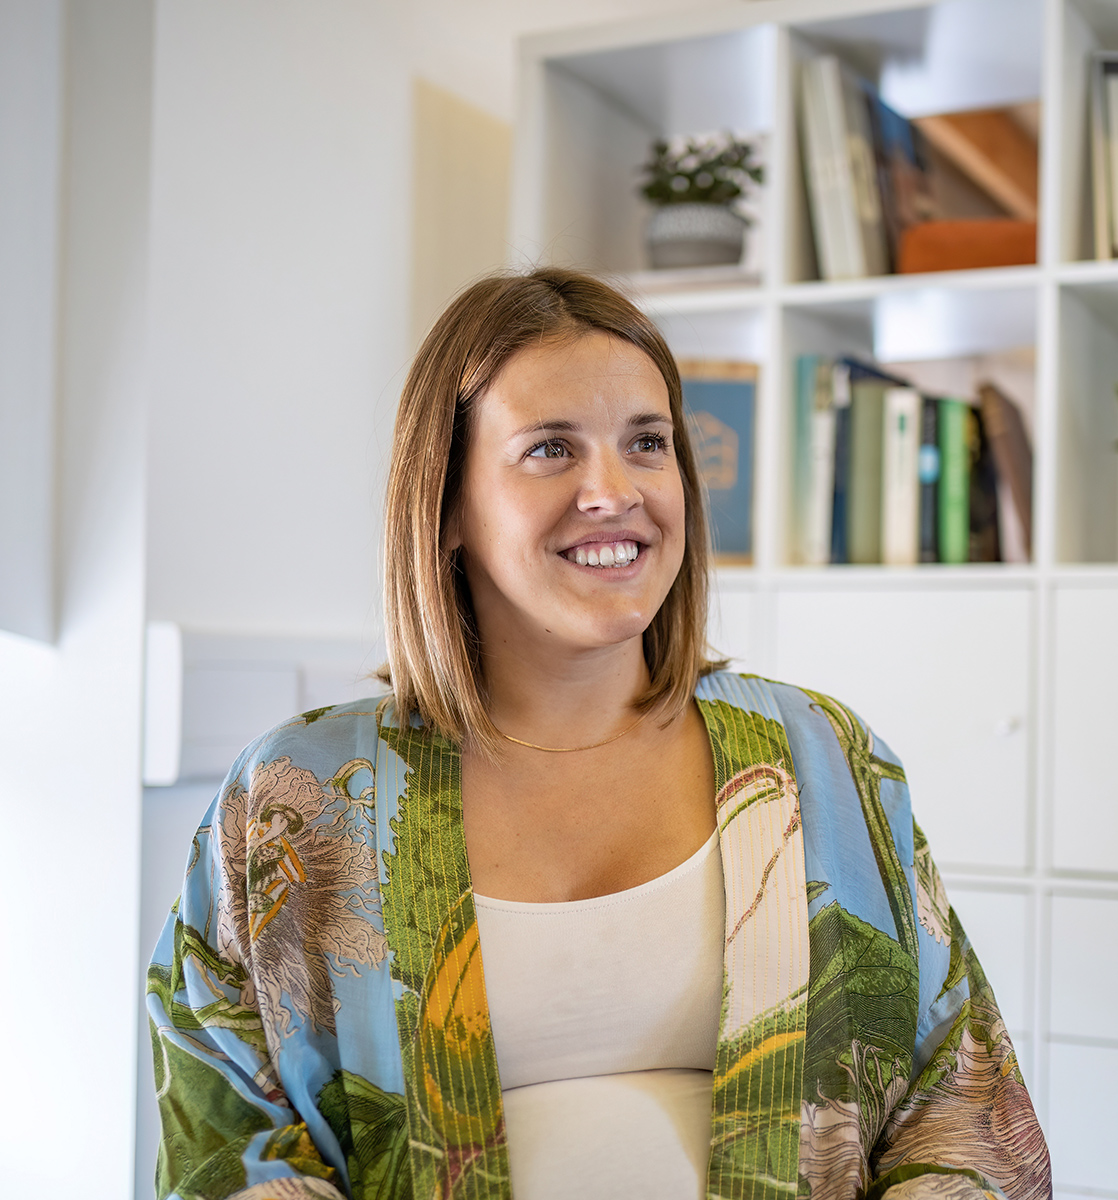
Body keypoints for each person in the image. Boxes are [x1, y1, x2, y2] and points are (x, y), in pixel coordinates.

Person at [145, 268, 1051, 1200]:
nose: (612, 491)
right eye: (550, 450)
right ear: (448, 501)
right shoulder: (294, 798)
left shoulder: (824, 757)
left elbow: (965, 1103)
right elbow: (228, 1150)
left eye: (647, 443)